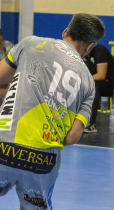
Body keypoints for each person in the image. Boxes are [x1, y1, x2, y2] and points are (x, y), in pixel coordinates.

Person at [0, 13, 105, 210]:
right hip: (44, 158)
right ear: (90, 46)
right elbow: (73, 137)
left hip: (5, 146)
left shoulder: (31, 43)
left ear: (65, 32)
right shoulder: (88, 82)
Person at [83, 44, 114, 133]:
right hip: (98, 82)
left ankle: (91, 123)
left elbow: (101, 75)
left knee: (92, 86)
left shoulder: (100, 50)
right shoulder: (83, 54)